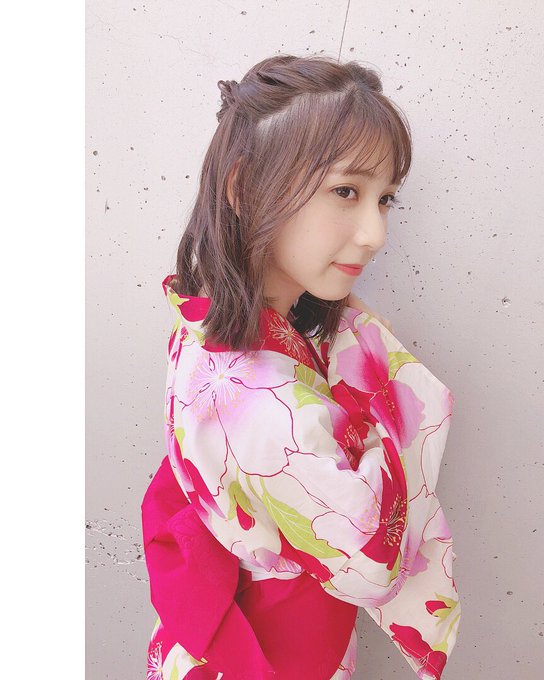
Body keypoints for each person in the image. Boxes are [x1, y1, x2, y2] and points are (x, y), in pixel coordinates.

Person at [141, 53, 461, 680]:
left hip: (217, 634)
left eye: (384, 199)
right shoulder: (259, 398)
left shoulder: (206, 321)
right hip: (268, 655)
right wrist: (380, 372)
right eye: (346, 191)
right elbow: (371, 565)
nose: (374, 234)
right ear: (243, 188)